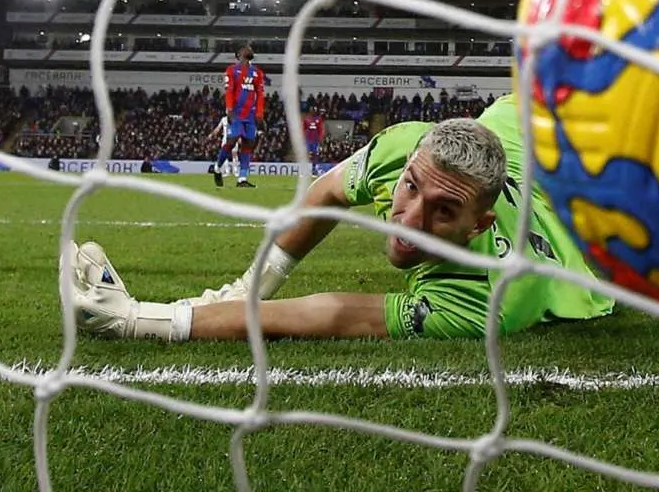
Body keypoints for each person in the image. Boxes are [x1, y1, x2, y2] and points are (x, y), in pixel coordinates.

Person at [66, 94, 615, 342]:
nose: (409, 220)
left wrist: (145, 320)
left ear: (477, 224)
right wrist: (248, 285)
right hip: (514, 133)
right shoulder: (406, 149)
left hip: (567, 235)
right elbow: (328, 191)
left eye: (443, 212)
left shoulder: (486, 301)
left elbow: (330, 315)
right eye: (411, 190)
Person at [213, 44, 265, 189]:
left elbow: (260, 95)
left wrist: (260, 114)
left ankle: (242, 179)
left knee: (248, 144)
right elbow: (229, 91)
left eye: (250, 48)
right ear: (239, 54)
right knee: (232, 140)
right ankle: (217, 167)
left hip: (251, 114)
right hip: (236, 113)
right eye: (245, 49)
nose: (249, 49)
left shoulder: (257, 73)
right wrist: (229, 108)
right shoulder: (232, 70)